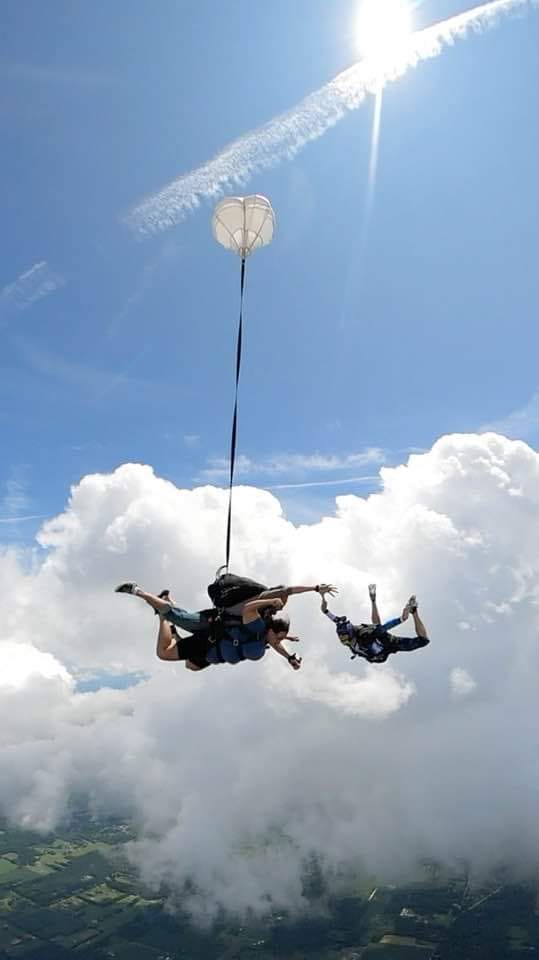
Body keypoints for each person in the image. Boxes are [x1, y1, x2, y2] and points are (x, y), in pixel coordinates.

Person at [116, 582, 303, 671]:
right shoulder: (256, 623)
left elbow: (275, 642)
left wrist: (289, 657)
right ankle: (138, 591)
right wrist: (314, 589)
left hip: (209, 644)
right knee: (170, 625)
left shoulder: (263, 636)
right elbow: (250, 608)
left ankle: (167, 615)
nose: (279, 641)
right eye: (279, 636)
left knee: (191, 665)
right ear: (271, 630)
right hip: (209, 625)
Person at [319, 583, 429, 664]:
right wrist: (401, 619)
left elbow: (325, 611)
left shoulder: (345, 628)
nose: (342, 638)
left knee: (375, 629)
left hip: (377, 643)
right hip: (383, 651)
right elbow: (384, 627)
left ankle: (413, 611)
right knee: (423, 641)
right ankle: (413, 611)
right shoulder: (363, 636)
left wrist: (322, 597)